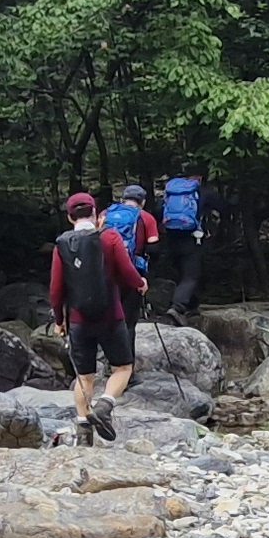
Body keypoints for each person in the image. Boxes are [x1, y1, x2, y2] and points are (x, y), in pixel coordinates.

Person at [50, 189, 145, 442]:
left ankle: (84, 435)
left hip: (78, 320)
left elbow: (56, 289)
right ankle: (105, 404)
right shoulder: (109, 236)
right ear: (95, 213)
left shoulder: (62, 244)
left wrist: (59, 321)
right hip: (111, 316)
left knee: (84, 378)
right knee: (123, 367)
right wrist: (141, 284)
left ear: (70, 217)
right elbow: (128, 271)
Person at [153, 169, 206, 317]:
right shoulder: (201, 192)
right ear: (199, 178)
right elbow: (224, 208)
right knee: (191, 276)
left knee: (180, 272)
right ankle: (177, 307)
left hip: (171, 239)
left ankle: (191, 305)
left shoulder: (171, 192)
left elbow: (157, 211)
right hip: (192, 239)